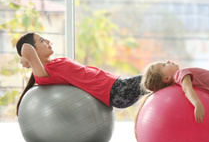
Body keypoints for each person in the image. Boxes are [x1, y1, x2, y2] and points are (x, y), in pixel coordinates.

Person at [16, 32, 145, 115]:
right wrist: (26, 59)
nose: (48, 42)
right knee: (156, 74)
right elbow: (27, 49)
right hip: (116, 91)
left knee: (157, 78)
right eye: (42, 41)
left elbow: (29, 50)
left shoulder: (54, 64)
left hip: (118, 84)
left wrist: (29, 58)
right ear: (33, 50)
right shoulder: (46, 74)